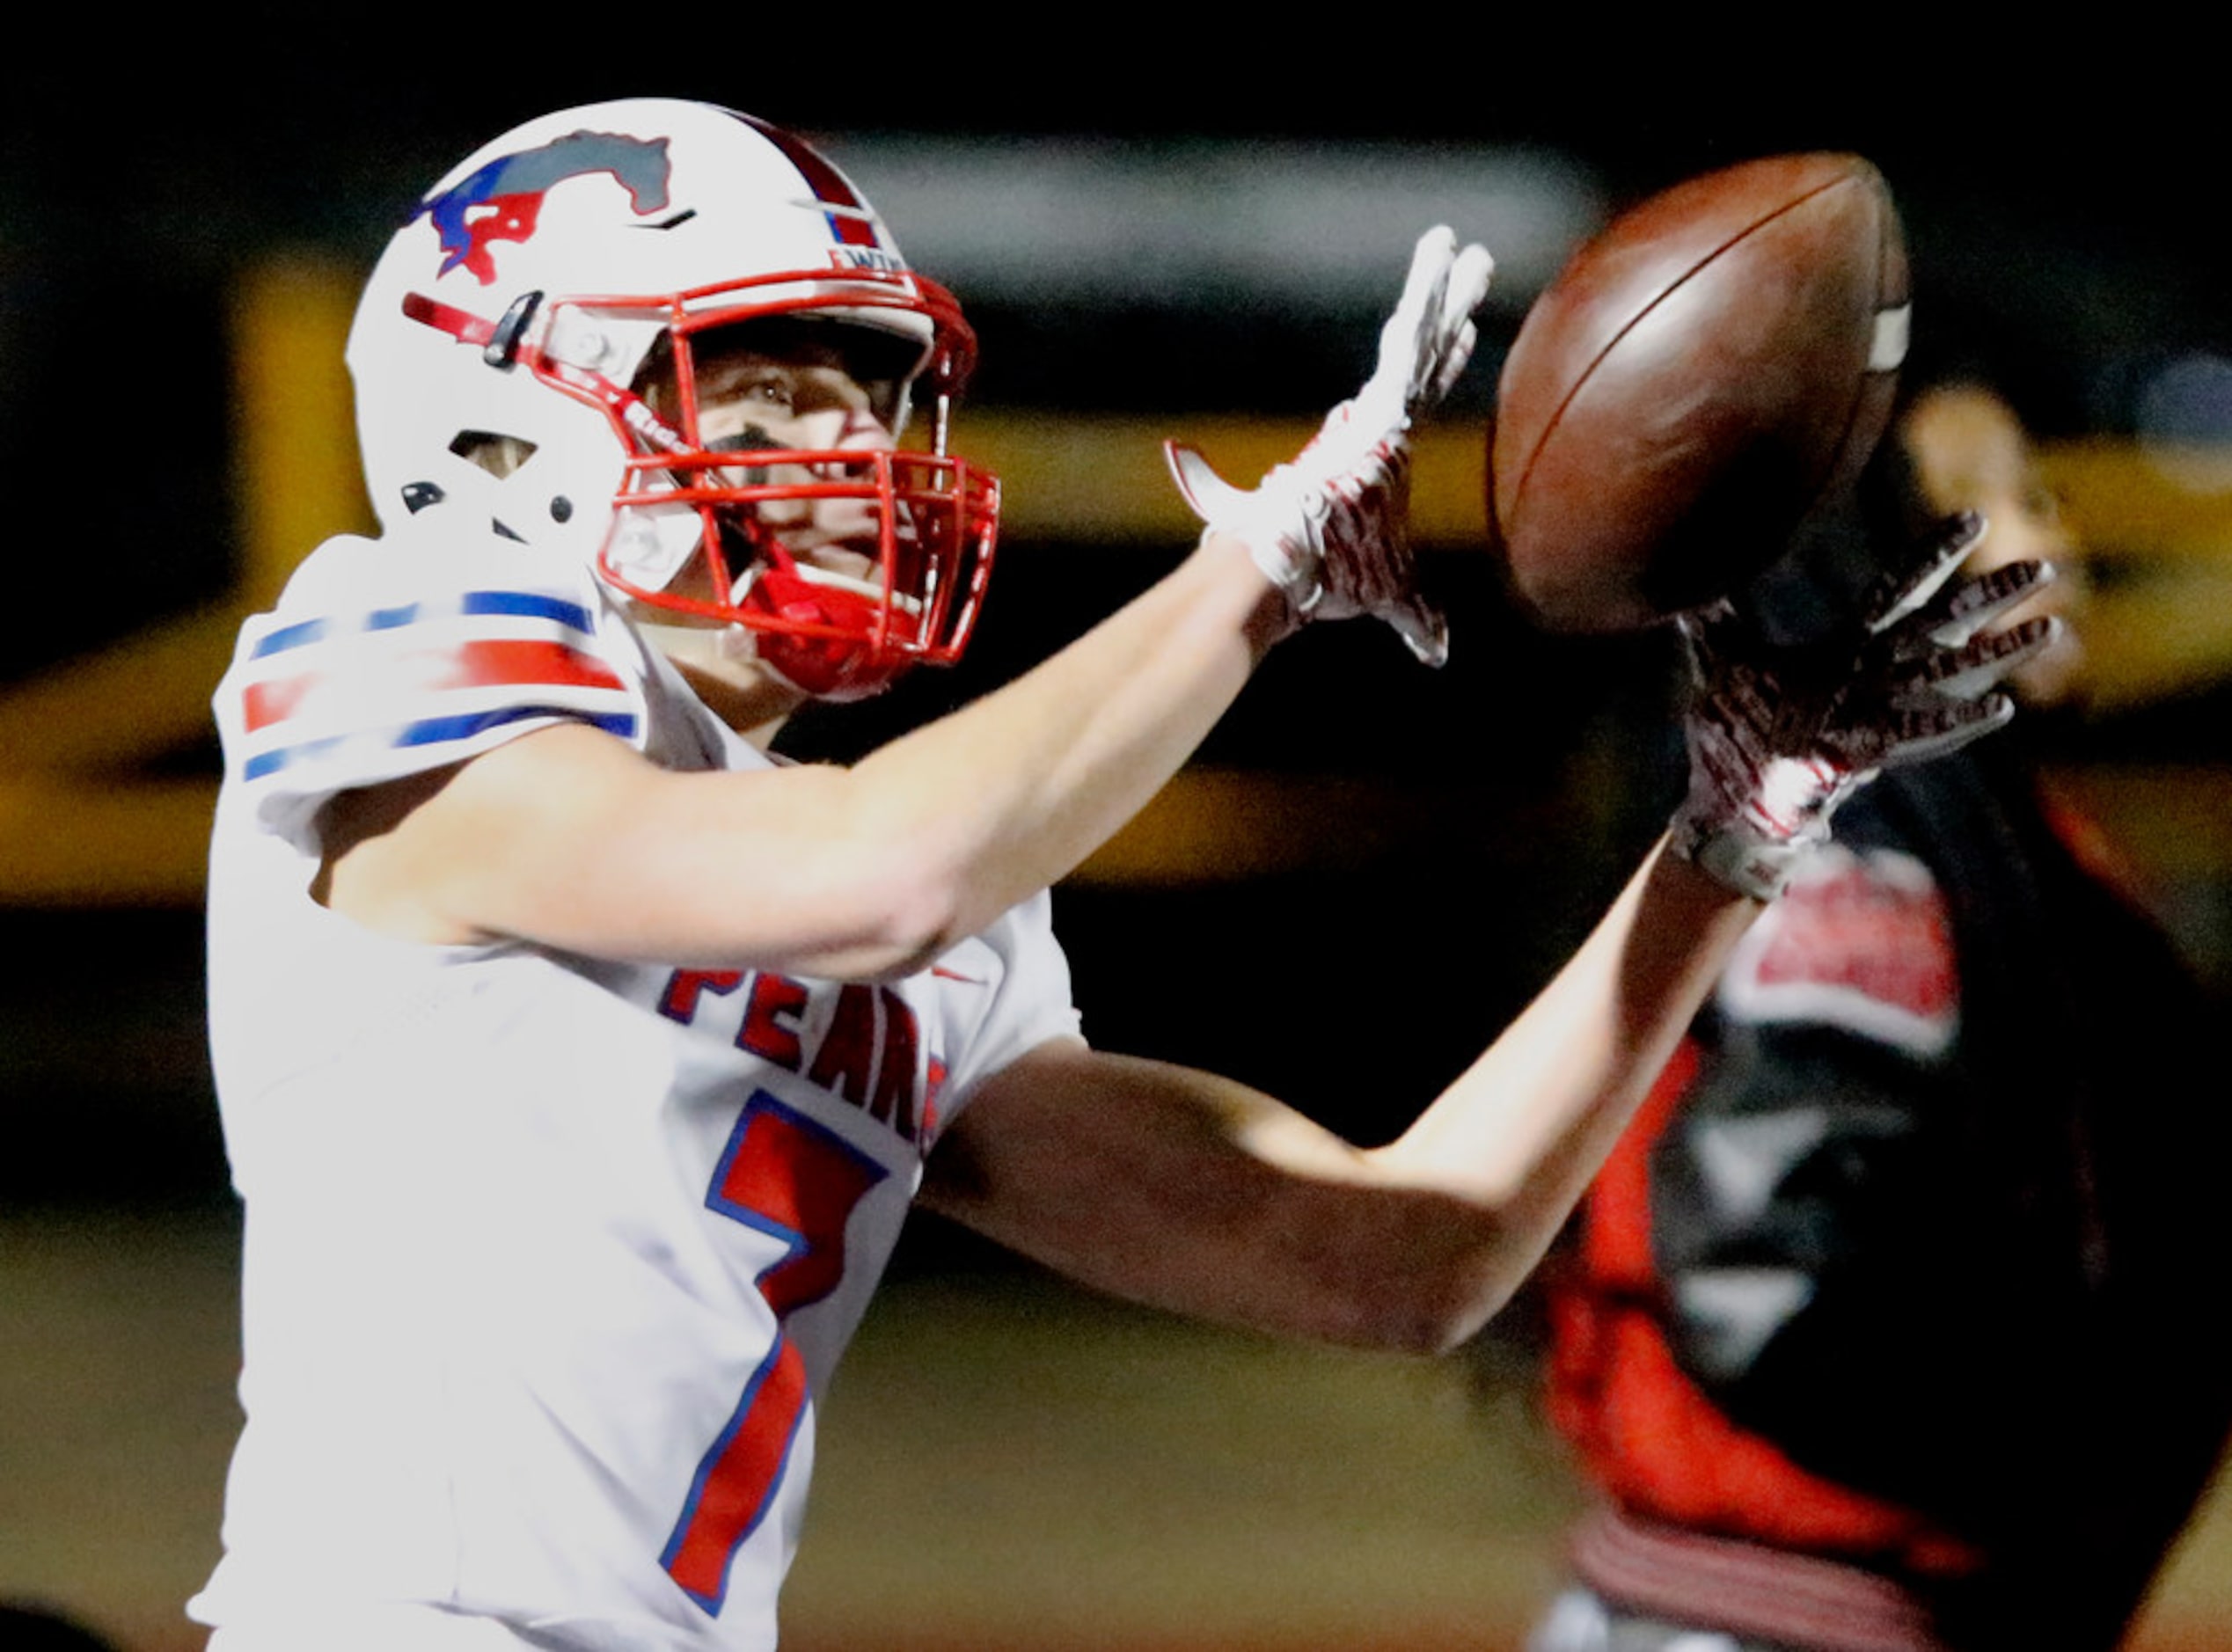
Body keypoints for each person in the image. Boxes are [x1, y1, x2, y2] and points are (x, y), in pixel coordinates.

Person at [187, 100, 2049, 1652]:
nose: (845, 452)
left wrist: (1729, 833)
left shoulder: (890, 893)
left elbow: (1394, 1255)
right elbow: (879, 873)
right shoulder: (400, 653)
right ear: (502, 436)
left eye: (860, 397)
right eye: (755, 400)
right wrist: (1260, 574)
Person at [1527, 382, 2232, 1652]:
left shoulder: (1970, 831)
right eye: (1994, 506)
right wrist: (2070, 1432)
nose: (2051, 546)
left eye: (2047, 498)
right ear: (1871, 555)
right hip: (1779, 1617)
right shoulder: (1851, 844)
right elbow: (1769, 1282)